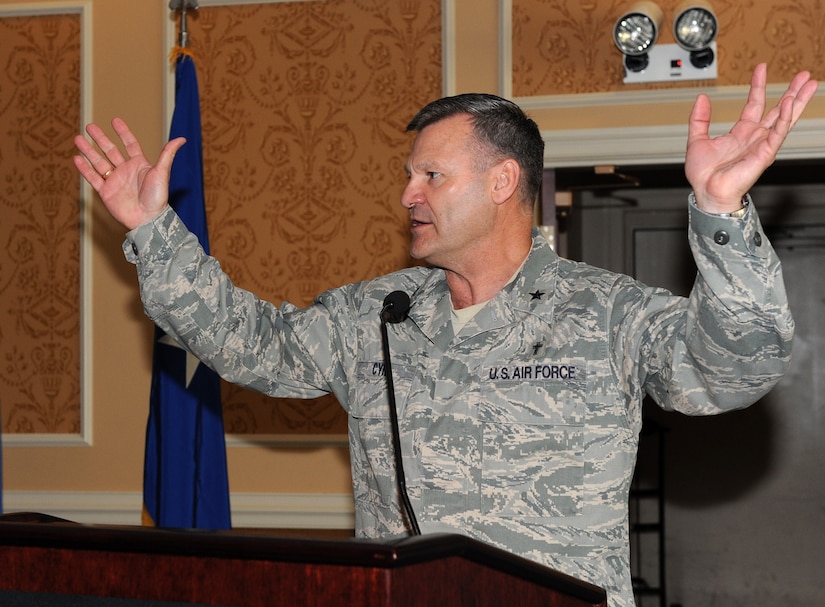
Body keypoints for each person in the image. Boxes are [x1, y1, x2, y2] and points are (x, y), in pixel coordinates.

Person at [74, 63, 817, 607]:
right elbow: (248, 343)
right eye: (408, 174)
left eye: (431, 174)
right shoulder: (374, 313)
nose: (407, 193)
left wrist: (719, 212)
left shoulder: (604, 313)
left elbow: (730, 371)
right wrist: (153, 231)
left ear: (500, 183)